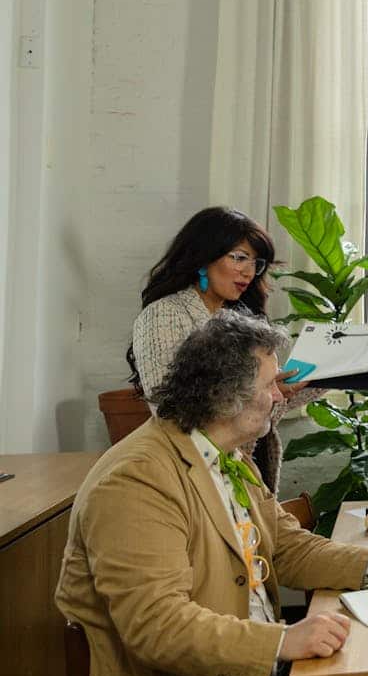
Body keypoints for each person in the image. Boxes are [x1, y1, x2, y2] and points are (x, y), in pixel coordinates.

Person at [58, 312, 368, 676]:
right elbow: (157, 625)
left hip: (248, 672)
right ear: (227, 395)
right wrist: (280, 642)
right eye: (270, 385)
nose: (280, 396)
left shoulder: (227, 454)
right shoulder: (136, 480)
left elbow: (288, 546)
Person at [128, 206, 318, 492]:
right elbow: (172, 411)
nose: (249, 272)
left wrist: (287, 388)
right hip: (192, 474)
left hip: (243, 465)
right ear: (203, 257)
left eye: (256, 262)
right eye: (239, 258)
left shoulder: (240, 318)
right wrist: (262, 393)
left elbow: (252, 406)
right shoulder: (165, 314)